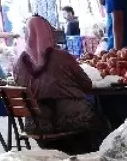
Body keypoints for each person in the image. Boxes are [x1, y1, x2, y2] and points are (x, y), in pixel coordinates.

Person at [12, 15, 104, 152]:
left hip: (37, 125)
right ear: (49, 34)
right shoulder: (63, 57)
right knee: (102, 119)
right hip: (71, 121)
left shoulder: (18, 64)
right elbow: (86, 85)